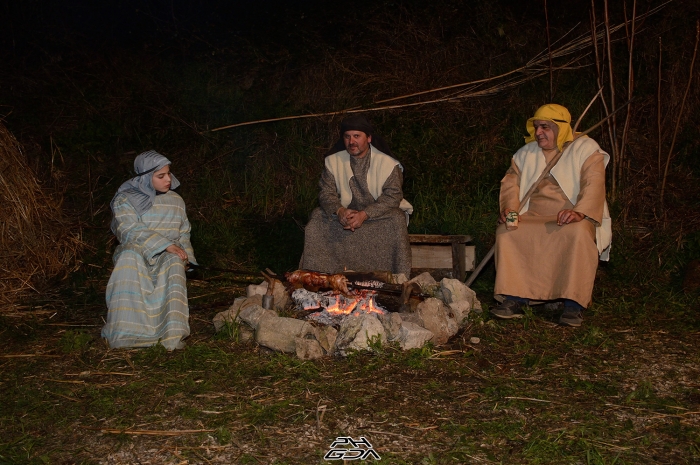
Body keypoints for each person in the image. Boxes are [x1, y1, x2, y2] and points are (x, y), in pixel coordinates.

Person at [491, 104, 612, 327]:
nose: (538, 133)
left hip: (572, 215)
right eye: (536, 127)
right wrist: (509, 209)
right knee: (507, 232)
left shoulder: (585, 149)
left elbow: (594, 183)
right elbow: (511, 184)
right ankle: (515, 298)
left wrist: (579, 212)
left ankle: (572, 304)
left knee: (576, 234)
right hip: (532, 214)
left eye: (544, 127)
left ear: (560, 128)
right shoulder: (525, 154)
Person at [102, 150, 197, 350]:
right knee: (128, 259)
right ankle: (128, 332)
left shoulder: (176, 201)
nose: (168, 179)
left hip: (167, 255)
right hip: (137, 252)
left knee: (173, 262)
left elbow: (183, 233)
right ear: (146, 177)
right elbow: (129, 229)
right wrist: (164, 244)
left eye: (169, 173)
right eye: (160, 176)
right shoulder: (126, 199)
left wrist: (185, 255)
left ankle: (169, 333)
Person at [300, 115, 413, 277]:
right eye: (347, 137)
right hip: (345, 216)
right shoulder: (333, 162)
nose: (351, 141)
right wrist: (339, 211)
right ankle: (317, 275)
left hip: (377, 217)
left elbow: (393, 196)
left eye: (356, 136)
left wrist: (364, 215)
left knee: (396, 219)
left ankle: (396, 276)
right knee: (317, 217)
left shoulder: (388, 164)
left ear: (368, 138)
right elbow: (326, 192)